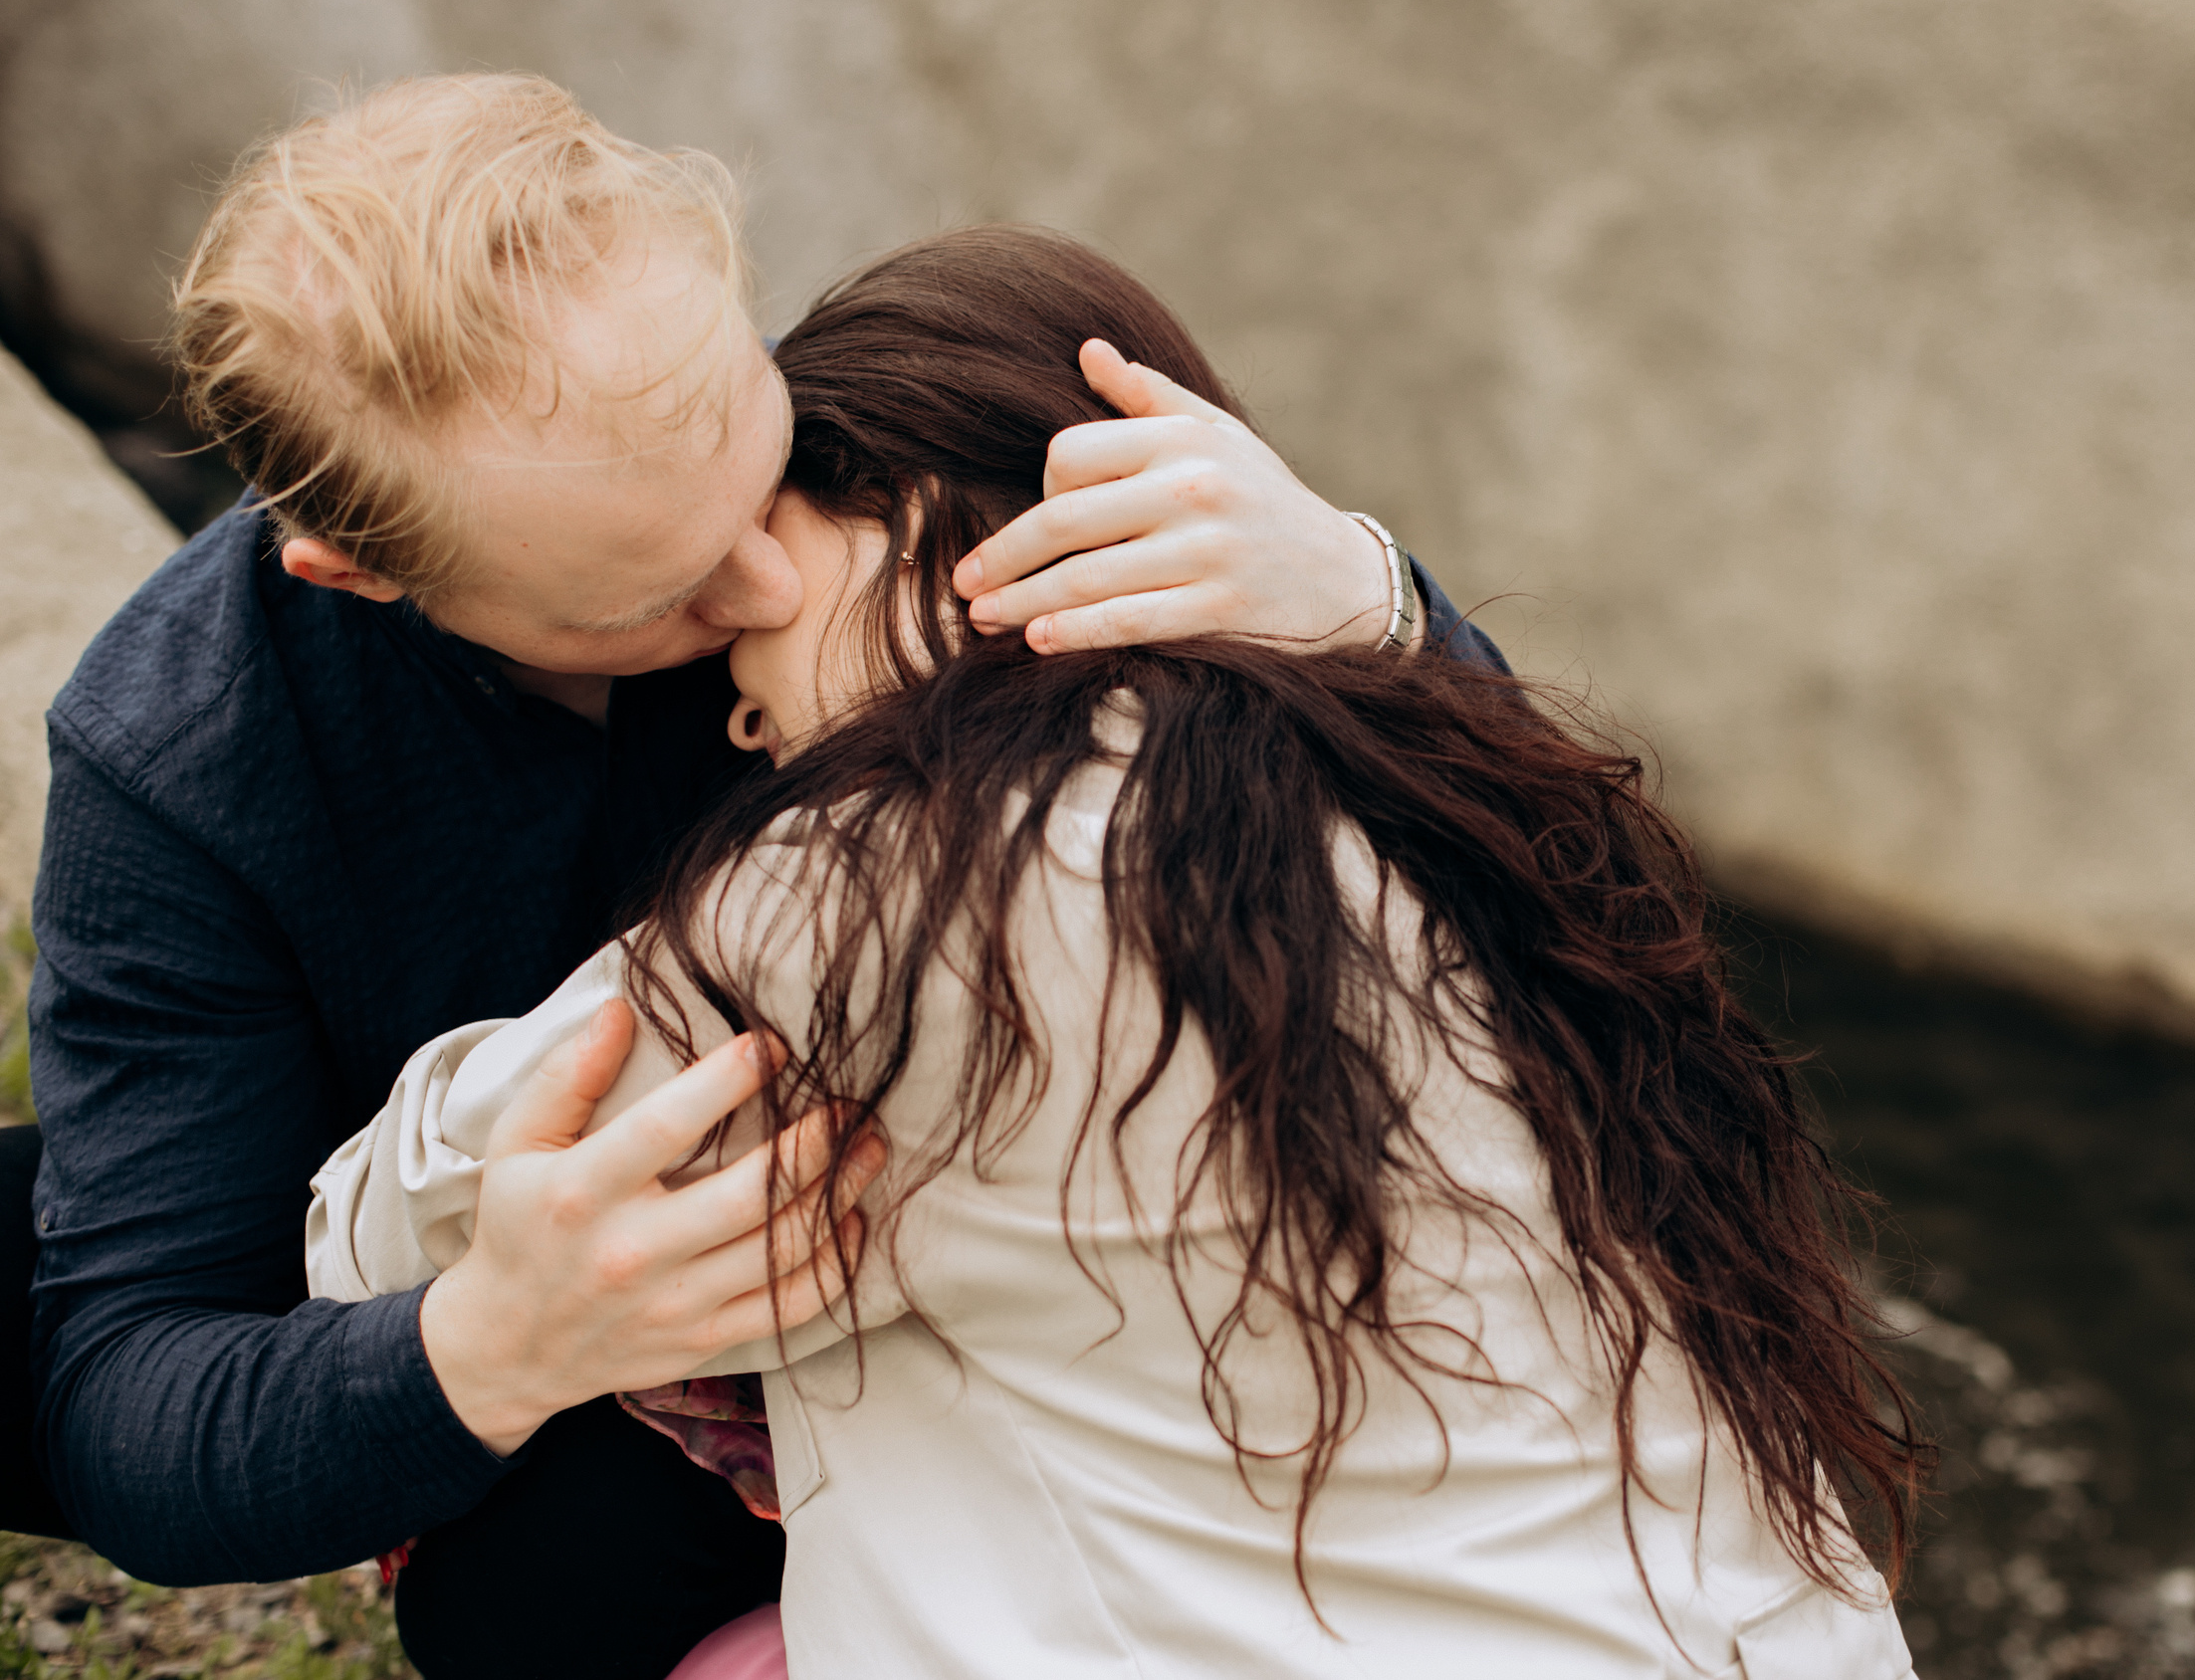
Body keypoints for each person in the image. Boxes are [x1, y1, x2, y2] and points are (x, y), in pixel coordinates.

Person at [20, 76, 1497, 1679]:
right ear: (358, 572)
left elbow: (1506, 902)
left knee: (534, 1590)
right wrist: (492, 1346)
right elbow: (129, 1400)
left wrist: (1370, 608)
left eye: (759, 460)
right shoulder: (181, 748)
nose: (773, 582)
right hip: (539, 1295)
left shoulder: (927, 454)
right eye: (644, 599)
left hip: (1051, 1303)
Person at [311, 225, 1924, 1678]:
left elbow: (371, 1240)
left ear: (938, 521)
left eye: (758, 578)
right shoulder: (1447, 784)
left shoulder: (885, 889)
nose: (729, 699)